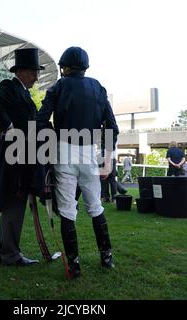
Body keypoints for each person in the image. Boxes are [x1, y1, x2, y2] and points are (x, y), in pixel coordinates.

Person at [37, 46, 119, 279]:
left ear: (64, 67)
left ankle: (74, 266)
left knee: (67, 211)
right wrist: (107, 159)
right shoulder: (98, 87)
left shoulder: (59, 86)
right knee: (96, 207)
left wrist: (52, 135)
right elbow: (112, 127)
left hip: (64, 151)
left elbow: (40, 119)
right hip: (90, 152)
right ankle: (107, 258)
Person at [0, 48, 44, 266]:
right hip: (15, 155)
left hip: (19, 154)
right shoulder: (10, 87)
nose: (36, 77)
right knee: (15, 202)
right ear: (22, 72)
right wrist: (8, 127)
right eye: (33, 72)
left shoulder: (23, 92)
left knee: (12, 202)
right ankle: (11, 255)